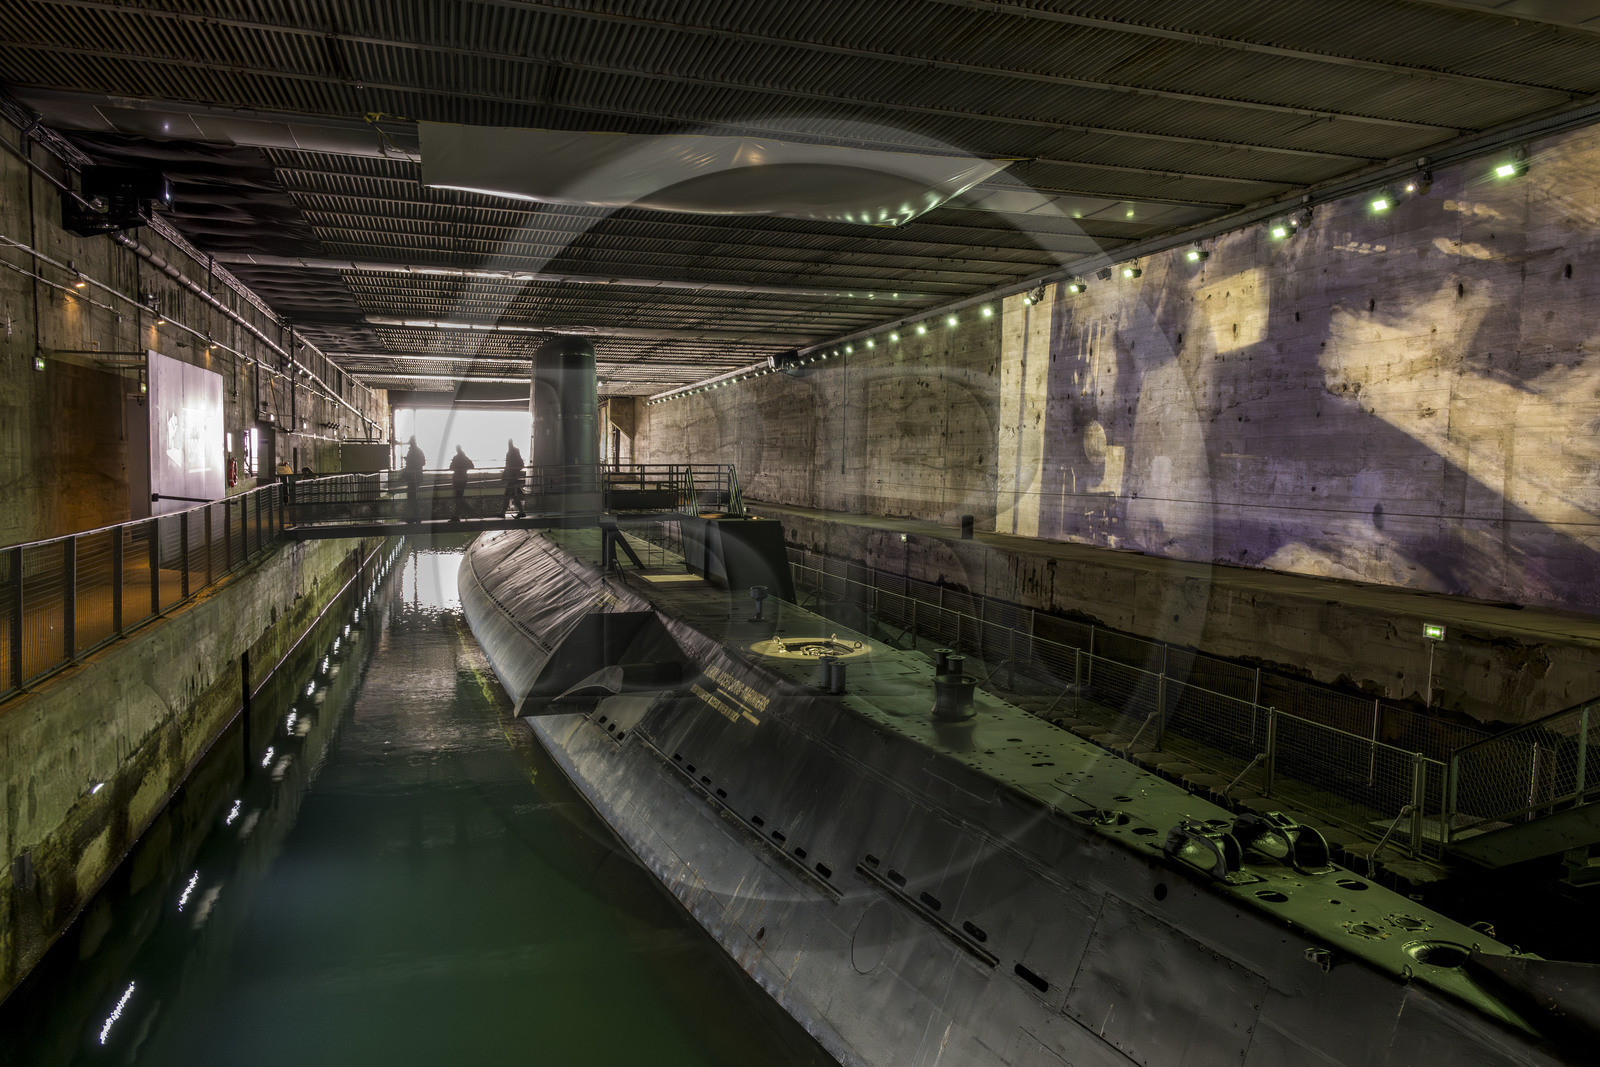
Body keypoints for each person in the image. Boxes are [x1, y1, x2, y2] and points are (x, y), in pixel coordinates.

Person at [402, 436, 425, 518]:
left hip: (412, 477)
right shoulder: (419, 451)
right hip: (417, 477)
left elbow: (412, 463)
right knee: (413, 497)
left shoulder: (412, 451)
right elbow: (422, 462)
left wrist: (408, 460)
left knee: (411, 497)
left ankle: (414, 516)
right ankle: (415, 516)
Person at [501, 439, 525, 517]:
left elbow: (508, 465)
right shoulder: (515, 451)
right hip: (513, 477)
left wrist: (505, 475)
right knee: (511, 496)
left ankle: (503, 513)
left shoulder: (510, 453)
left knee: (509, 496)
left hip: (511, 478)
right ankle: (520, 512)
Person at [448, 445, 473, 521]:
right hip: (463, 479)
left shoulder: (456, 458)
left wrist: (457, 468)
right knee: (459, 497)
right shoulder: (465, 458)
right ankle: (459, 514)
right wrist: (464, 469)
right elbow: (472, 466)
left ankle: (467, 511)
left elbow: (451, 467)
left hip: (457, 480)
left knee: (458, 498)